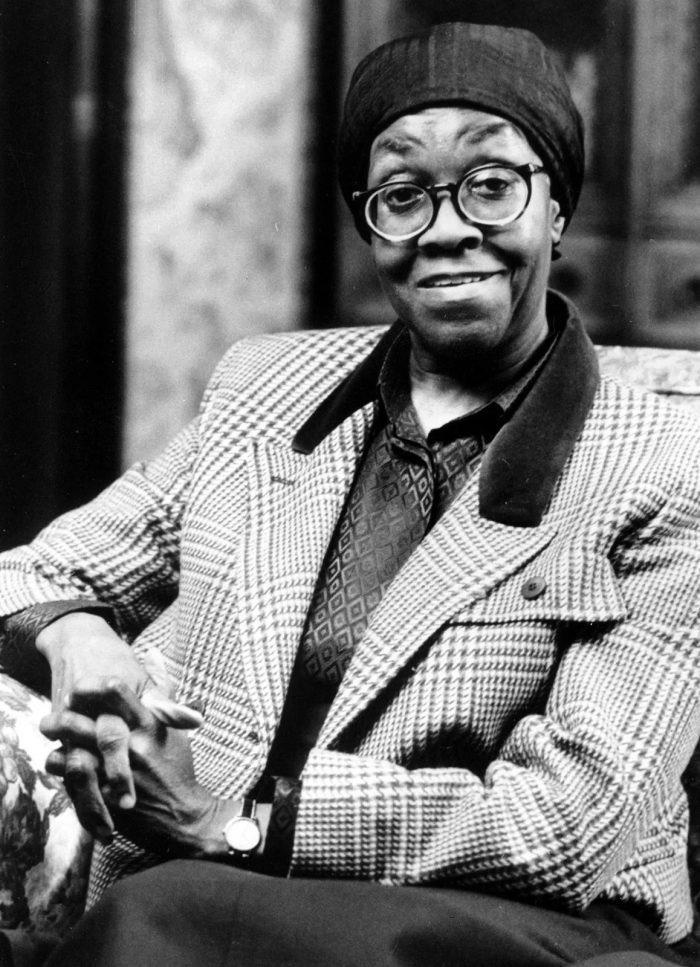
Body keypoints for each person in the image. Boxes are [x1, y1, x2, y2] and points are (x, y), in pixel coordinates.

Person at [0, 20, 699, 967]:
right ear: (371, 224)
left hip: (516, 923)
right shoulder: (267, 391)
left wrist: (232, 815)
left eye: (492, 185)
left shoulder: (666, 460)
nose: (449, 227)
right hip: (223, 888)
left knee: (161, 918)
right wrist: (74, 632)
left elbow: (566, 826)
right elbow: (38, 567)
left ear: (557, 207)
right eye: (403, 194)